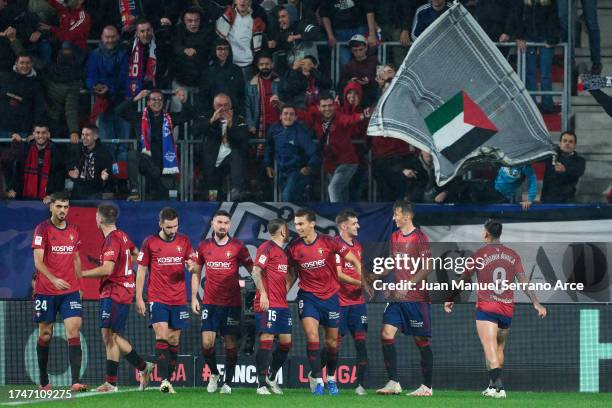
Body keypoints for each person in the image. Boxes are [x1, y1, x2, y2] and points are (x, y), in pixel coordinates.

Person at [445, 219, 547, 399]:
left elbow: (463, 279)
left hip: (487, 307)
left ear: (487, 234)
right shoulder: (512, 255)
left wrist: (450, 298)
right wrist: (536, 302)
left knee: (489, 346)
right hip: (507, 309)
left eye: (483, 231)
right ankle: (492, 387)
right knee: (499, 347)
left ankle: (499, 387)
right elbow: (523, 280)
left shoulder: (479, 254)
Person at [286, 207, 362, 395]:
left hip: (330, 297)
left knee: (332, 343)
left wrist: (363, 281)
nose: (298, 227)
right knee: (312, 337)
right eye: (296, 224)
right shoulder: (293, 247)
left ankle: (331, 377)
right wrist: (283, 292)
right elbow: (293, 273)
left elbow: (353, 260)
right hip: (308, 297)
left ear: (312, 224)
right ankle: (318, 381)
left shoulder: (328, 241)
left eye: (301, 223)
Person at [80, 203, 155, 392]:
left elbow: (107, 269)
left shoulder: (112, 239)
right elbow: (138, 254)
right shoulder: (122, 235)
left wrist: (81, 274)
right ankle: (127, 374)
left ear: (99, 219)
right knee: (110, 335)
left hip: (115, 291)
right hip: (122, 290)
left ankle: (130, 373)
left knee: (110, 336)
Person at [135, 207, 197, 393]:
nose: (172, 230)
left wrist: (191, 267)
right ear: (160, 224)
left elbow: (194, 268)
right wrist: (139, 297)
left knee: (173, 340)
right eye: (169, 227)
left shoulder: (184, 241)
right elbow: (141, 270)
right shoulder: (150, 242)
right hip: (157, 297)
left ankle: (167, 378)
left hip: (178, 299)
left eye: (175, 226)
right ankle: (164, 381)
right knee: (161, 336)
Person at [191, 210, 254, 394]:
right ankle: (214, 374)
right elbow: (196, 272)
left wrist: (264, 290)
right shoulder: (203, 246)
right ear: (212, 223)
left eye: (226, 222)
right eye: (219, 222)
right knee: (207, 344)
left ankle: (228, 382)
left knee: (230, 342)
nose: (222, 225)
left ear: (230, 225)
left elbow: (253, 271)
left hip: (232, 303)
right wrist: (194, 296)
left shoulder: (238, 247)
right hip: (210, 303)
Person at [376, 200, 434, 397]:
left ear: (407, 216)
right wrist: (378, 275)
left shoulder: (420, 238)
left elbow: (428, 267)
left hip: (416, 298)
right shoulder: (394, 236)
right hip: (397, 298)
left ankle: (426, 387)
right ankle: (393, 382)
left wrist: (407, 285)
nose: (394, 218)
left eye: (396, 215)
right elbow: (393, 261)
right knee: (385, 334)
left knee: (421, 340)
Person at [31, 192, 87, 392]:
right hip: (46, 291)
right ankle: (45, 381)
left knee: (73, 330)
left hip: (70, 291)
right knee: (45, 334)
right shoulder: (42, 229)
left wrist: (80, 285)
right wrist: (53, 279)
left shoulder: (74, 230)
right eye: (59, 206)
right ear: (51, 207)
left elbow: (76, 258)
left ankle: (75, 381)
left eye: (66, 207)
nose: (63, 210)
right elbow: (38, 261)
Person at [289, 91, 371, 202]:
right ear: (318, 107)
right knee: (342, 194)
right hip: (330, 164)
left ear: (334, 105)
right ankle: (346, 214)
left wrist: (362, 116)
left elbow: (349, 119)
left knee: (333, 188)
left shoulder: (339, 117)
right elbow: (301, 115)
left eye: (330, 105)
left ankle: (336, 217)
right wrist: (280, 105)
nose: (327, 109)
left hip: (347, 162)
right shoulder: (316, 119)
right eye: (324, 106)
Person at [117, 88, 195, 201]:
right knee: (132, 154)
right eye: (154, 99)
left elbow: (191, 115)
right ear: (148, 102)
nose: (157, 102)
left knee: (161, 200)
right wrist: (135, 99)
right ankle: (134, 190)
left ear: (163, 103)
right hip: (147, 163)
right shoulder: (140, 118)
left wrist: (184, 101)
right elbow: (119, 111)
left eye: (160, 100)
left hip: (165, 166)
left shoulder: (169, 118)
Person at [252, 218, 293, 395]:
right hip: (268, 303)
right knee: (267, 338)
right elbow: (255, 271)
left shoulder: (282, 252)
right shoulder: (266, 248)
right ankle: (260, 384)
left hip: (282, 304)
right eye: (288, 229)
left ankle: (271, 376)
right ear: (283, 230)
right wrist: (263, 294)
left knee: (286, 343)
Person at [334, 209, 368, 396]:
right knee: (334, 344)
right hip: (339, 302)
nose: (358, 226)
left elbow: (358, 272)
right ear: (343, 226)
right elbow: (338, 274)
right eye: (354, 223)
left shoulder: (358, 246)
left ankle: (360, 385)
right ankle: (318, 374)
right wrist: (360, 282)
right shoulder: (335, 245)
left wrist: (366, 283)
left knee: (361, 342)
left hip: (358, 303)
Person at [192, 93, 249, 200]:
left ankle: (235, 191)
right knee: (212, 191)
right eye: (219, 105)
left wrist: (231, 124)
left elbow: (243, 137)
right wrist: (211, 120)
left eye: (226, 105)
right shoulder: (208, 116)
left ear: (231, 105)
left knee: (236, 155)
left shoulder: (238, 119)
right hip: (213, 157)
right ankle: (212, 199)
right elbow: (194, 131)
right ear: (214, 106)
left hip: (232, 157)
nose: (223, 108)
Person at [264, 104, 320, 202]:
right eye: (285, 114)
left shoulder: (300, 132)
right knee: (291, 199)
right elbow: (269, 147)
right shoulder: (274, 129)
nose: (288, 117)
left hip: (296, 172)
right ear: (280, 116)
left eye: (291, 114)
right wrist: (268, 165)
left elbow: (314, 152)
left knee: (287, 196)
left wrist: (309, 167)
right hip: (280, 172)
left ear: (295, 118)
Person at [515, 0, 560, 114]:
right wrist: (519, 36)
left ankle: (547, 106)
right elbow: (518, 16)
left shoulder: (550, 2)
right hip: (528, 37)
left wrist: (552, 38)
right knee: (530, 72)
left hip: (546, 38)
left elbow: (554, 19)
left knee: (545, 73)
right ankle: (532, 106)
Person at [5, 123, 65, 202]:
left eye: (43, 133)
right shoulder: (26, 150)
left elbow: (59, 177)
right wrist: (12, 189)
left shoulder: (57, 152)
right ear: (33, 134)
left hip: (47, 199)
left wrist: (53, 196)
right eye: (37, 133)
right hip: (25, 198)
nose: (40, 136)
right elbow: (17, 173)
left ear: (48, 134)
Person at [215, 0, 267, 81]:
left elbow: (258, 48)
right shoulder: (228, 15)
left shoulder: (256, 20)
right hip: (230, 65)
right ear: (235, 1)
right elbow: (219, 39)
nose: (242, 1)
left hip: (248, 67)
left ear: (250, 2)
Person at [199, 38, 245, 116]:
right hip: (213, 113)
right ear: (214, 50)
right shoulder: (207, 71)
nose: (223, 52)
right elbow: (203, 96)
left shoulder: (237, 70)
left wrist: (237, 111)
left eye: (226, 49)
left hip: (233, 113)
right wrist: (210, 113)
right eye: (219, 49)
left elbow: (241, 94)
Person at [67, 125, 113, 200]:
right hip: (78, 191)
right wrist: (70, 173)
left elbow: (108, 175)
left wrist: (104, 178)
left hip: (95, 192)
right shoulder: (78, 150)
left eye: (87, 135)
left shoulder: (104, 154)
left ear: (95, 137)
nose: (84, 137)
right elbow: (69, 167)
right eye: (82, 134)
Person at [541, 131, 586, 203]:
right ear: (560, 143)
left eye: (571, 142)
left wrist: (564, 170)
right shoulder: (551, 156)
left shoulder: (580, 161)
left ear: (575, 145)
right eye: (564, 141)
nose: (567, 143)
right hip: (548, 200)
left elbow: (577, 172)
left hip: (567, 201)